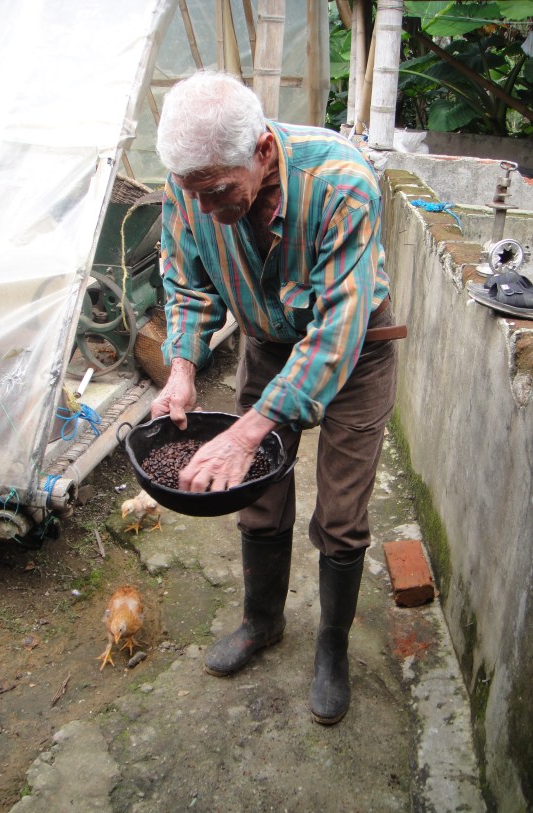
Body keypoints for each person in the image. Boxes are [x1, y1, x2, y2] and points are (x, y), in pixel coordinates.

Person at [151, 70, 403, 725]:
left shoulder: (343, 183)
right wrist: (182, 367)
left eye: (217, 192)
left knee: (342, 514)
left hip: (355, 348)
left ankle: (331, 648)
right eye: (190, 193)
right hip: (269, 341)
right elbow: (186, 283)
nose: (203, 208)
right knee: (257, 496)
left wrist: (249, 426)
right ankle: (262, 622)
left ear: (262, 152)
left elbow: (335, 332)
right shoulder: (191, 185)